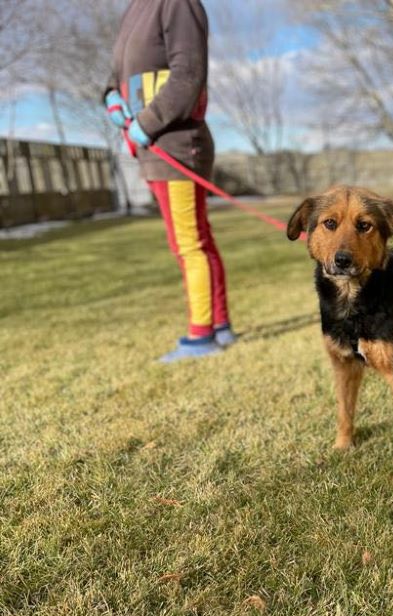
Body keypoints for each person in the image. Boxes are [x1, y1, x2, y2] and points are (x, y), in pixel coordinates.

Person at [104, 0, 235, 363]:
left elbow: (188, 75)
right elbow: (117, 74)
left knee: (188, 244)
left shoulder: (177, 4)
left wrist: (145, 123)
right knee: (197, 239)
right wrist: (110, 97)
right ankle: (220, 326)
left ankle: (202, 334)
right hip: (154, 148)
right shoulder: (134, 10)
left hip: (177, 147)